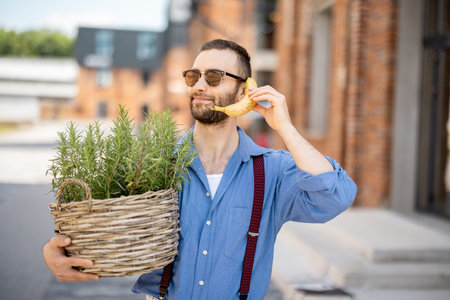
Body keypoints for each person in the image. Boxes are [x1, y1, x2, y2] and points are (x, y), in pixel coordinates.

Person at [43, 39, 357, 300]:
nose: (200, 86)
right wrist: (54, 251)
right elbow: (99, 221)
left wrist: (284, 127)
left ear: (245, 90)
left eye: (215, 77)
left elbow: (336, 196)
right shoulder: (153, 163)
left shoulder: (271, 171)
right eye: (194, 76)